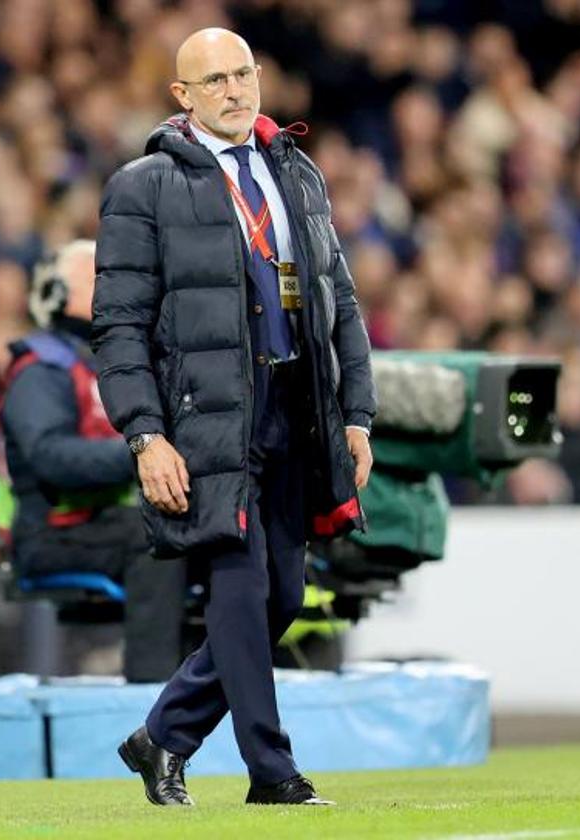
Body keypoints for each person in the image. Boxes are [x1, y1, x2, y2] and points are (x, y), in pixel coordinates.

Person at [94, 28, 376, 807]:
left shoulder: (296, 171)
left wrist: (357, 412)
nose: (233, 89)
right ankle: (273, 775)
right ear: (181, 97)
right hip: (207, 423)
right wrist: (145, 435)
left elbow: (338, 302)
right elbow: (118, 327)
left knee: (282, 598)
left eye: (242, 73)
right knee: (242, 596)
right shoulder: (142, 187)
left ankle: (163, 736)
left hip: (295, 409)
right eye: (213, 79)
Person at [0, 241, 185, 683]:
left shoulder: (118, 365)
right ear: (59, 294)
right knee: (159, 539)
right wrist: (144, 455)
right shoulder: (41, 369)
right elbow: (50, 457)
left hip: (108, 519)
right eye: (99, 278)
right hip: (53, 530)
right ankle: (154, 694)